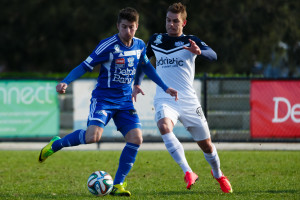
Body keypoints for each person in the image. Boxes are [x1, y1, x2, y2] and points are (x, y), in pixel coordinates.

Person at [38, 7, 178, 197]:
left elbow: (147, 67)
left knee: (136, 139)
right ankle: (56, 145)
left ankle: (118, 185)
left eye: (131, 27)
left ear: (137, 27)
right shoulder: (108, 46)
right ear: (118, 26)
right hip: (103, 99)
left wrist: (165, 86)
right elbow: (84, 66)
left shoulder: (139, 46)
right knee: (92, 137)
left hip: (125, 102)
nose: (128, 31)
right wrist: (65, 81)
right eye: (124, 27)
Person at [133, 2, 232, 193]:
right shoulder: (156, 40)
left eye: (175, 21)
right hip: (165, 97)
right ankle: (188, 171)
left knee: (207, 145)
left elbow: (214, 56)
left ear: (183, 23)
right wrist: (137, 83)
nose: (171, 24)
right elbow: (143, 63)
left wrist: (199, 52)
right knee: (163, 126)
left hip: (188, 100)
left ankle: (218, 174)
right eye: (168, 20)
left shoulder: (191, 40)